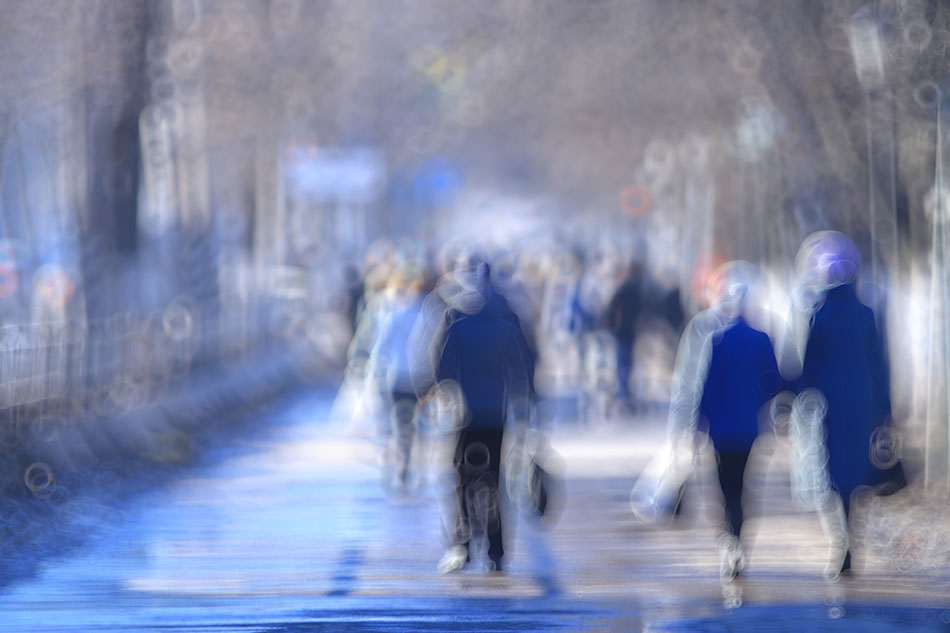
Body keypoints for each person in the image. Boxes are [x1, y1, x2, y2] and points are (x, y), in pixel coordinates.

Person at [667, 260, 782, 581]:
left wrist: (694, 426)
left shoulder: (715, 340)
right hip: (749, 427)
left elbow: (705, 386)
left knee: (722, 488)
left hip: (718, 430)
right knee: (744, 486)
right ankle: (739, 538)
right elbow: (774, 381)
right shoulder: (761, 338)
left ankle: (728, 540)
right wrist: (761, 404)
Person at [792, 231, 894, 578]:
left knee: (832, 470)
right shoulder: (866, 314)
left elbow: (810, 364)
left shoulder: (819, 315)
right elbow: (878, 362)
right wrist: (885, 406)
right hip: (863, 400)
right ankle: (852, 533)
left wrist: (799, 397)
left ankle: (841, 536)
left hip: (830, 402)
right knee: (857, 469)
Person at [432, 255, 533, 574]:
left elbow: (440, 367)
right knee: (494, 478)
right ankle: (497, 550)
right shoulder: (508, 317)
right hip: (497, 413)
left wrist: (445, 394)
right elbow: (523, 367)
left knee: (462, 478)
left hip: (465, 414)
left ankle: (461, 544)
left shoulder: (455, 317)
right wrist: (524, 407)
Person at [604, 259, 644, 414]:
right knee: (626, 363)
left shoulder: (621, 290)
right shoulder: (634, 289)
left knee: (622, 362)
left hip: (620, 331)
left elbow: (611, 309)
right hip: (629, 330)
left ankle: (622, 392)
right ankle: (624, 392)